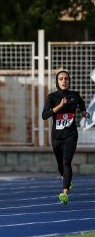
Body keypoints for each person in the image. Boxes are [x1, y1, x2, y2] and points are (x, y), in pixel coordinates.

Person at [42, 69, 90, 205]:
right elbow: (44, 115)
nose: (64, 81)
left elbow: (81, 105)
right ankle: (67, 179)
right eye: (61, 79)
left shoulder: (75, 95)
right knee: (60, 165)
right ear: (57, 81)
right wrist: (59, 106)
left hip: (71, 135)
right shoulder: (52, 97)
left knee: (66, 162)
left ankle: (65, 194)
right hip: (57, 137)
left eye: (66, 79)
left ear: (69, 81)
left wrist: (84, 113)